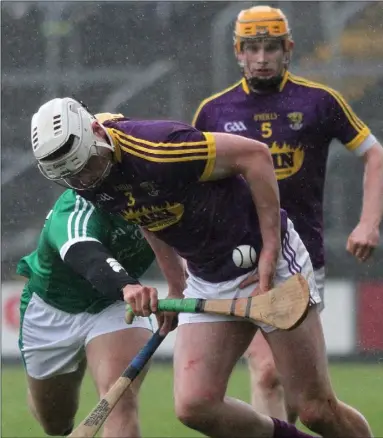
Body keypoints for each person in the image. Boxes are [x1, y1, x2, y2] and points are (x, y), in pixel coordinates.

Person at [29, 97, 374, 438]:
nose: (86, 181)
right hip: (207, 276)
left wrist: (270, 249)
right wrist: (176, 286)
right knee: (196, 405)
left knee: (315, 409)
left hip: (264, 259)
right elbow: (148, 217)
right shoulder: (86, 179)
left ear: (95, 133)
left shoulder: (159, 148)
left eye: (87, 167)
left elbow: (255, 156)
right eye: (75, 178)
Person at [192, 5, 383, 424]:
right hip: (238, 261)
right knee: (267, 374)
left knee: (307, 403)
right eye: (252, 48)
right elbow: (195, 187)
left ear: (289, 49)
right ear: (237, 52)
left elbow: (375, 155)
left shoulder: (320, 102)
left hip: (300, 260)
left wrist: (369, 223)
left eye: (271, 48)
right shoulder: (213, 112)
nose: (262, 57)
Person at [17, 187, 158, 438]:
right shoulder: (75, 205)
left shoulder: (162, 186)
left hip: (115, 304)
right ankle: (81, 357)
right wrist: (125, 284)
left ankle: (95, 349)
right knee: (56, 424)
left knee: (120, 403)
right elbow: (84, 252)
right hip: (53, 308)